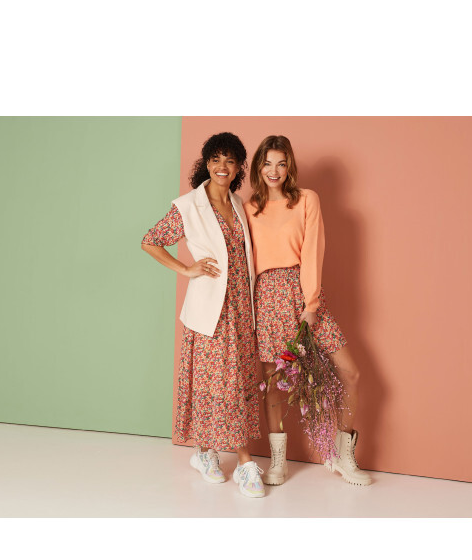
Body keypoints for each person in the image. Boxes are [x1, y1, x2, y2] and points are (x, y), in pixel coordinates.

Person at [141, 132, 265, 498]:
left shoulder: (239, 203)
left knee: (238, 382)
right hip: (210, 309)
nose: (222, 166)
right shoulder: (188, 206)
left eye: (230, 160)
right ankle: (238, 461)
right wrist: (186, 269)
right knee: (214, 384)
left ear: (239, 167)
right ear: (206, 163)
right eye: (216, 159)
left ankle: (211, 454)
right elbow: (150, 240)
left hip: (241, 308)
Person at [244, 135, 372, 486]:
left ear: (290, 167)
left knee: (351, 374)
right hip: (267, 297)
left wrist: (311, 303)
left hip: (303, 294)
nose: (274, 170)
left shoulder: (306, 199)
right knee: (274, 383)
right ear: (258, 167)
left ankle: (343, 457)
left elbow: (313, 249)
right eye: (267, 163)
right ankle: (278, 462)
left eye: (281, 163)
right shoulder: (249, 207)